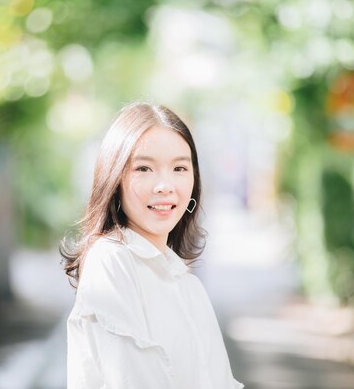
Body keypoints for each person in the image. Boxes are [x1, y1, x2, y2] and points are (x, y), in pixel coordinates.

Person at [60, 102, 244, 389]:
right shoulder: (111, 261)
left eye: (179, 167)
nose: (164, 185)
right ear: (115, 177)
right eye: (144, 168)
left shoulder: (188, 285)